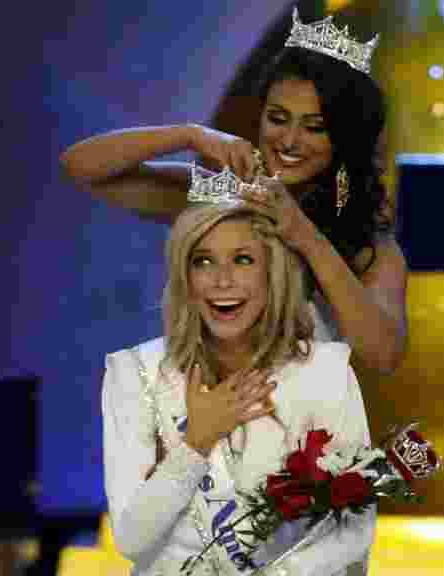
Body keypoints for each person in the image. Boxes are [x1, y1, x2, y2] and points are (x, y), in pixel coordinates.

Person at [61, 8, 407, 375]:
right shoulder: (220, 198)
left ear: (344, 137)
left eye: (314, 127)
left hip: (312, 428)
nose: (289, 140)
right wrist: (190, 134)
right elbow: (81, 167)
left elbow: (384, 355)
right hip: (212, 419)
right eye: (277, 118)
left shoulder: (370, 247)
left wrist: (305, 236)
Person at [101, 193, 376, 575]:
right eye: (203, 261)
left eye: (242, 260)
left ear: (271, 271)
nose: (222, 280)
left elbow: (354, 528)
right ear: (185, 275)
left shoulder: (325, 372)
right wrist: (196, 444)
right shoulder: (137, 373)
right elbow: (131, 538)